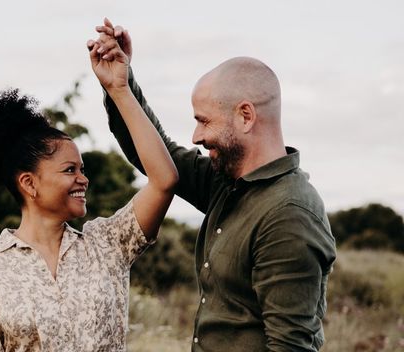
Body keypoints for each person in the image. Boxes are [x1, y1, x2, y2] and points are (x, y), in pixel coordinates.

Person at [96, 18, 336, 351]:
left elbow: (290, 346)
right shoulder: (228, 182)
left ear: (246, 116)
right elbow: (157, 155)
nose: (196, 137)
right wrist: (121, 87)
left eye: (203, 121)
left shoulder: (289, 215)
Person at [0, 36, 178, 351]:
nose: (83, 179)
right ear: (29, 183)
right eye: (69, 170)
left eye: (82, 169)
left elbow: (164, 180)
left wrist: (119, 89)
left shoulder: (107, 244)